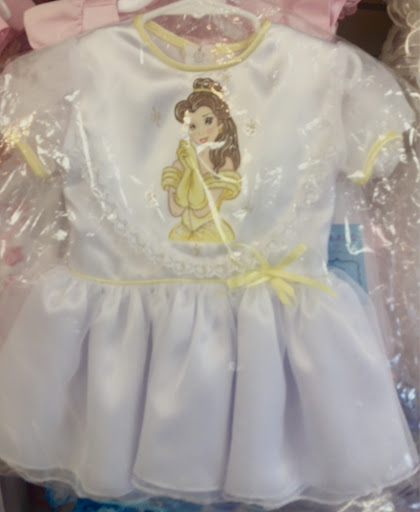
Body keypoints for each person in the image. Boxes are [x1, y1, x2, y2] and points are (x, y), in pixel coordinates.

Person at [161, 78, 241, 243]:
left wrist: (193, 169)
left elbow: (201, 211)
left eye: (207, 121)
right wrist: (189, 169)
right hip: (181, 234)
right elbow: (175, 211)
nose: (200, 132)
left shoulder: (223, 164)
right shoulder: (180, 164)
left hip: (212, 233)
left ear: (220, 124)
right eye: (192, 126)